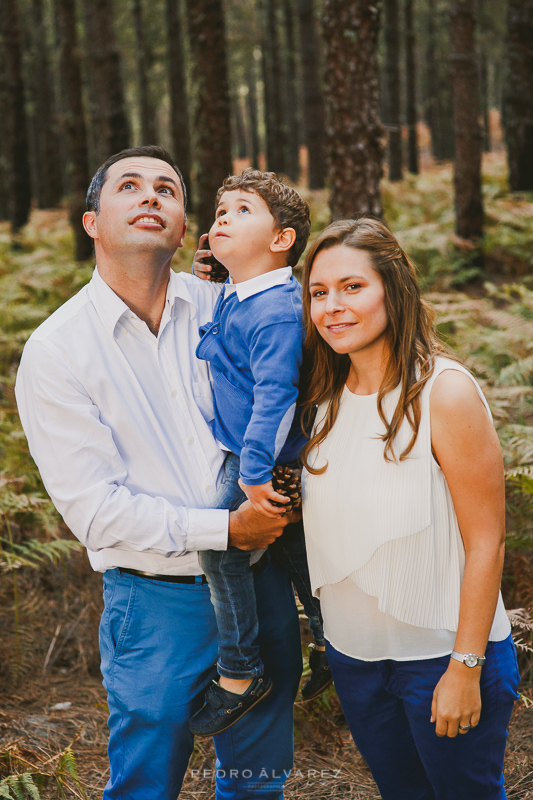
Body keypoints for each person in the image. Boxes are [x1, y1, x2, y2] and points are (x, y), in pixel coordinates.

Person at [14, 146, 304, 800]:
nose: (151, 197)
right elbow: (92, 509)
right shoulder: (57, 352)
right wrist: (228, 528)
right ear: (91, 223)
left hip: (260, 589)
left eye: (167, 190)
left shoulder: (229, 309)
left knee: (257, 785)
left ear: (184, 230)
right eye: (130, 187)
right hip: (155, 603)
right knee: (146, 784)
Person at [299, 217, 520, 800]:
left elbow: (486, 541)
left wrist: (464, 667)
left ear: (393, 290)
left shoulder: (442, 393)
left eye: (352, 287)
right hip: (354, 658)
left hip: (442, 656)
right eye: (318, 293)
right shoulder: (319, 400)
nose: (332, 307)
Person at [189, 170, 331, 738]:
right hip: (257, 454)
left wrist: (252, 476)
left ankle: (241, 671)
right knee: (294, 547)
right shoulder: (249, 293)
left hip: (257, 458)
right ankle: (330, 639)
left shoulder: (275, 311)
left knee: (221, 549)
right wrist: (217, 271)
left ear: (281, 241)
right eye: (220, 210)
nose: (222, 217)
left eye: (242, 210)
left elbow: (276, 395)